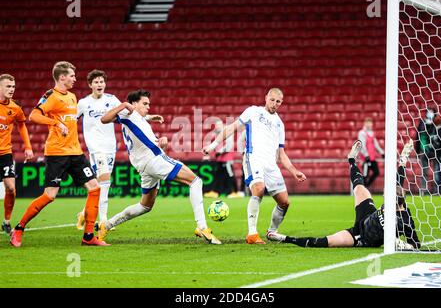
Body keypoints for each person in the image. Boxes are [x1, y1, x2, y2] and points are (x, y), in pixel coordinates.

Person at [97, 89, 221, 245]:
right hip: (153, 160)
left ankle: (106, 225)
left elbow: (143, 130)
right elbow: (104, 119)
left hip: (144, 164)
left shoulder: (138, 119)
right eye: (145, 103)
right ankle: (202, 227)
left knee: (145, 206)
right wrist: (124, 104)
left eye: (149, 104)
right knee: (195, 181)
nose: (148, 106)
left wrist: (160, 140)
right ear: (134, 104)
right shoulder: (127, 113)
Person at [9, 61, 108, 247]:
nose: (74, 79)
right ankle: (19, 228)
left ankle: (88, 236)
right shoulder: (51, 96)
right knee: (50, 195)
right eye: (71, 76)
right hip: (57, 153)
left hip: (75, 152)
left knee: (95, 188)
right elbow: (34, 116)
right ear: (62, 77)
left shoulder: (72, 96)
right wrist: (56, 123)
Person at [202, 88, 306, 244]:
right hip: (253, 157)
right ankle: (252, 234)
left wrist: (293, 171)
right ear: (266, 98)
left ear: (281, 103)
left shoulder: (279, 124)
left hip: (271, 164)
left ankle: (272, 231)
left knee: (284, 202)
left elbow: (281, 153)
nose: (274, 104)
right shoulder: (253, 112)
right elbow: (231, 128)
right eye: (272, 100)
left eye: (278, 101)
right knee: (259, 188)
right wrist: (213, 145)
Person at [274, 140, 421, 250]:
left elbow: (416, 244)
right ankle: (351, 159)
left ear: (392, 202)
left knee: (327, 242)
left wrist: (404, 245)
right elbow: (398, 179)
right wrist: (403, 159)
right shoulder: (395, 197)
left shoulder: (406, 220)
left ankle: (285, 238)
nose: (383, 196)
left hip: (360, 237)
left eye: (385, 196)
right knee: (359, 188)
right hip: (367, 217)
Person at [75, 69, 122, 229]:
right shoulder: (83, 103)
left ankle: (83, 213)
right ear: (90, 85)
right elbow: (71, 120)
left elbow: (127, 116)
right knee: (105, 183)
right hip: (95, 148)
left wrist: (147, 117)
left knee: (98, 186)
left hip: (110, 147)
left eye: (102, 81)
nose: (99, 84)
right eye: (96, 82)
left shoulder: (112, 99)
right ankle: (103, 221)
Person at [0, 74, 34, 234]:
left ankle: (6, 221)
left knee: (11, 188)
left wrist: (28, 147)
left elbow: (21, 125)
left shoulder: (15, 108)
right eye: (8, 86)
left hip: (5, 153)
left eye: (13, 87)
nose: (11, 90)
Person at [358, 117, 384, 187]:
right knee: (365, 174)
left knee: (376, 172)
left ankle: (366, 186)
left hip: (372, 158)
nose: (369, 124)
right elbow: (361, 145)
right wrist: (366, 155)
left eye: (370, 123)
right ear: (365, 124)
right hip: (365, 158)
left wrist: (382, 152)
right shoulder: (362, 133)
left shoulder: (372, 133)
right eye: (368, 123)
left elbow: (375, 144)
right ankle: (363, 189)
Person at [415, 108, 436, 194]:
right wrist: (417, 151)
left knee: (437, 171)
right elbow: (418, 136)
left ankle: (437, 190)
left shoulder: (435, 124)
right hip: (423, 150)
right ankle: (423, 190)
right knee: (424, 171)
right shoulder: (422, 123)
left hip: (434, 150)